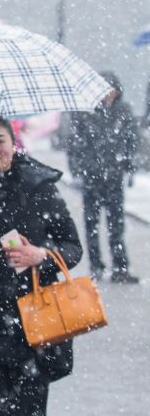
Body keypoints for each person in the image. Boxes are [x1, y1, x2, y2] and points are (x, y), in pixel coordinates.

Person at [0, 115, 83, 416]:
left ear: (13, 142)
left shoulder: (38, 184)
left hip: (33, 326)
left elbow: (72, 248)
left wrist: (41, 255)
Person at [69, 71, 140, 283]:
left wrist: (129, 165)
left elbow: (131, 141)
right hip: (92, 177)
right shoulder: (85, 112)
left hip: (114, 177)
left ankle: (120, 267)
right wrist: (78, 170)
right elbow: (75, 144)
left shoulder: (124, 112)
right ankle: (96, 265)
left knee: (116, 224)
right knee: (92, 224)